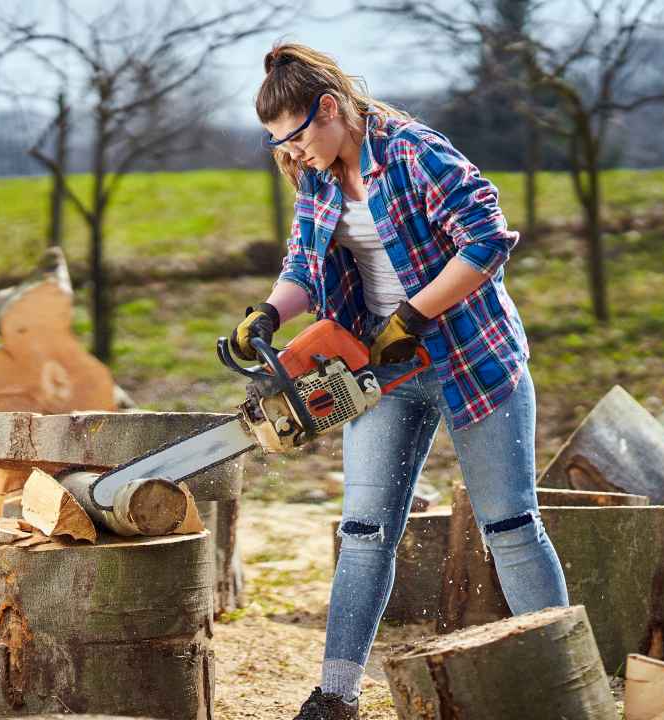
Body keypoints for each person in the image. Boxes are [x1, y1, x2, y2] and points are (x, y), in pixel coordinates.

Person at [232, 43, 570, 720]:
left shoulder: (416, 153)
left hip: (470, 356)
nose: (291, 154)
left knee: (510, 524)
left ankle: (564, 683)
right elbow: (303, 263)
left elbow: (488, 240)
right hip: (380, 370)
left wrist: (414, 313)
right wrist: (269, 313)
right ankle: (335, 694)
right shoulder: (318, 175)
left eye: (295, 137)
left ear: (330, 109)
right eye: (278, 144)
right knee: (363, 532)